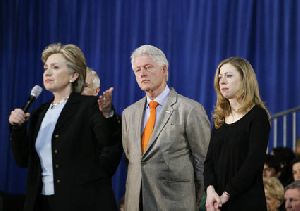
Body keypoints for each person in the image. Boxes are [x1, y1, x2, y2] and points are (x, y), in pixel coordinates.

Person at [8, 43, 121, 211]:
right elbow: (23, 160)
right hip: (42, 202)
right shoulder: (39, 112)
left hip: (82, 202)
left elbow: (107, 139)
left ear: (73, 75)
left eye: (55, 67)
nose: (47, 72)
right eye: (46, 68)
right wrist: (17, 129)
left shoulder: (89, 106)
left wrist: (107, 114)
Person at [122, 44, 211, 210]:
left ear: (164, 70)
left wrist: (196, 202)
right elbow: (132, 158)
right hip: (136, 204)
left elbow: (204, 162)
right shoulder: (129, 114)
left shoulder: (189, 109)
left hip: (175, 204)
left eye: (148, 67)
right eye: (137, 69)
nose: (142, 73)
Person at [204, 57, 270, 211]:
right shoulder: (220, 119)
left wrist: (227, 194)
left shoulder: (257, 116)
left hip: (246, 202)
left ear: (245, 80)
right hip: (218, 203)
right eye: (220, 76)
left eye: (229, 75)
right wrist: (210, 190)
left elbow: (253, 162)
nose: (222, 81)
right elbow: (209, 162)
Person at [82, 67, 122, 177]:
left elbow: (107, 166)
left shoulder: (111, 122)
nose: (78, 91)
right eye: (76, 86)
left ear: (96, 91)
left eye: (84, 86)